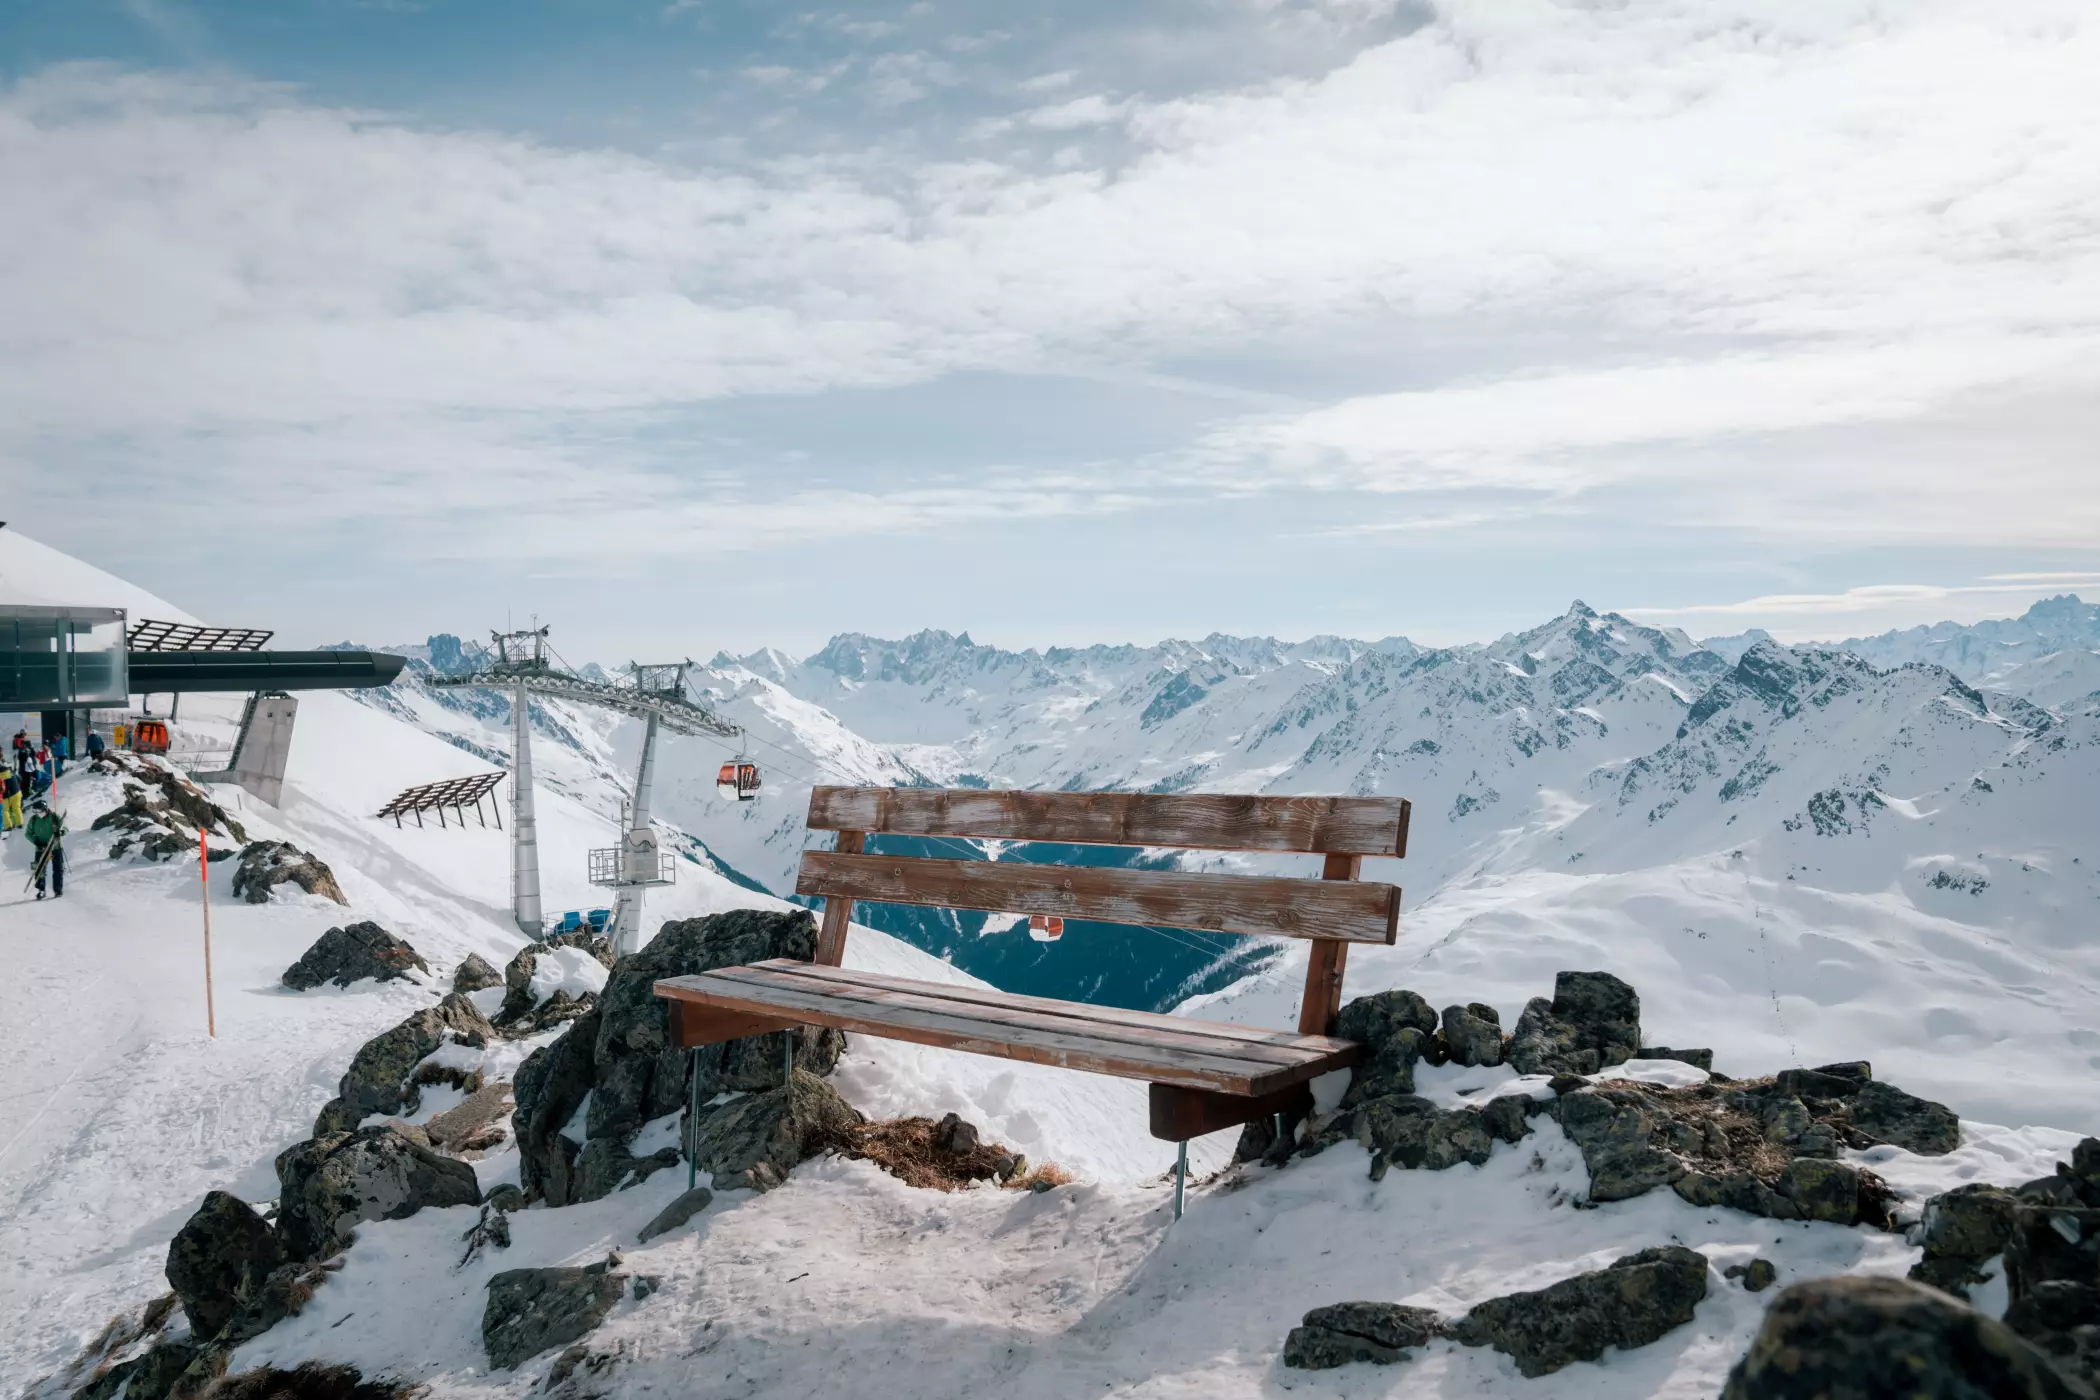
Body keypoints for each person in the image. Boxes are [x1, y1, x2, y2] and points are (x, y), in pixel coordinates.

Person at [26, 798, 65, 899]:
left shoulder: (54, 817)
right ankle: (41, 890)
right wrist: (36, 841)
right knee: (39, 870)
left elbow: (65, 828)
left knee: (58, 869)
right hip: (41, 848)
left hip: (55, 846)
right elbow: (28, 834)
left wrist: (60, 832)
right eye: (35, 811)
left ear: (45, 809)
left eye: (39, 811)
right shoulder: (34, 819)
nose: (38, 813)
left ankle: (58, 890)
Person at [0, 766, 20, 834]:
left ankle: (8, 826)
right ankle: (19, 823)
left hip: (7, 796)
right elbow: (19, 779)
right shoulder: (11, 772)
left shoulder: (1, 776)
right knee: (16, 808)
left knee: (5, 810)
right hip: (17, 792)